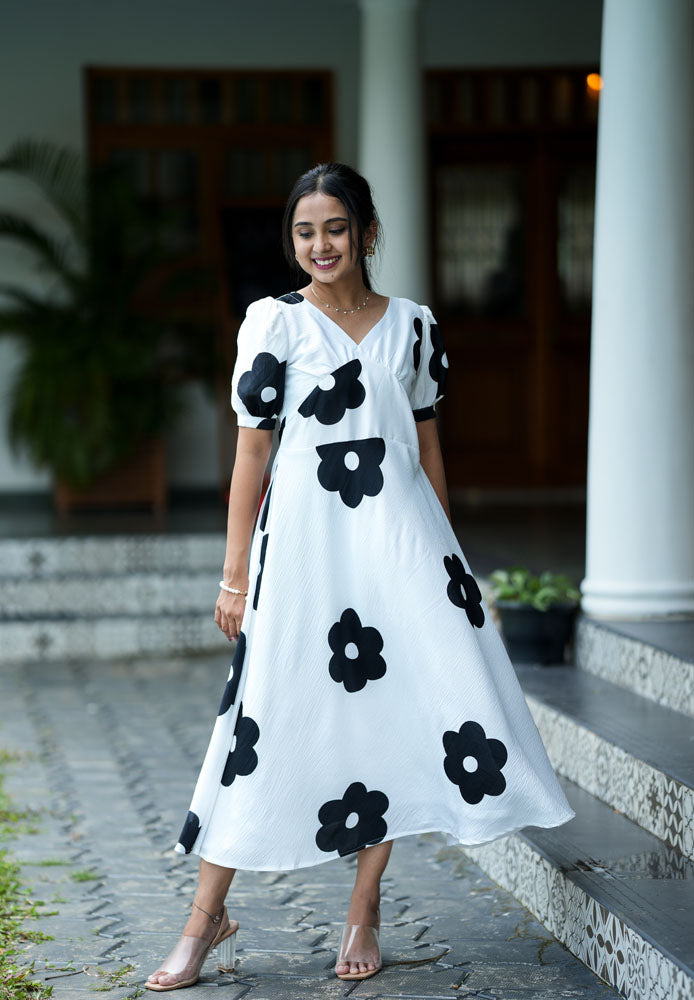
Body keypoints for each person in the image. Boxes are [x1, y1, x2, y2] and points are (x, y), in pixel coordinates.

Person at [145, 162, 576, 992]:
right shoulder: (273, 325)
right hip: (306, 551)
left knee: (399, 715)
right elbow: (252, 457)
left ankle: (364, 904)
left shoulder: (412, 326)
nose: (320, 245)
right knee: (257, 724)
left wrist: (446, 557)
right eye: (304, 232)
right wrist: (235, 577)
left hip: (402, 547)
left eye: (335, 229)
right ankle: (206, 918)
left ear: (366, 232)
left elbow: (428, 445)